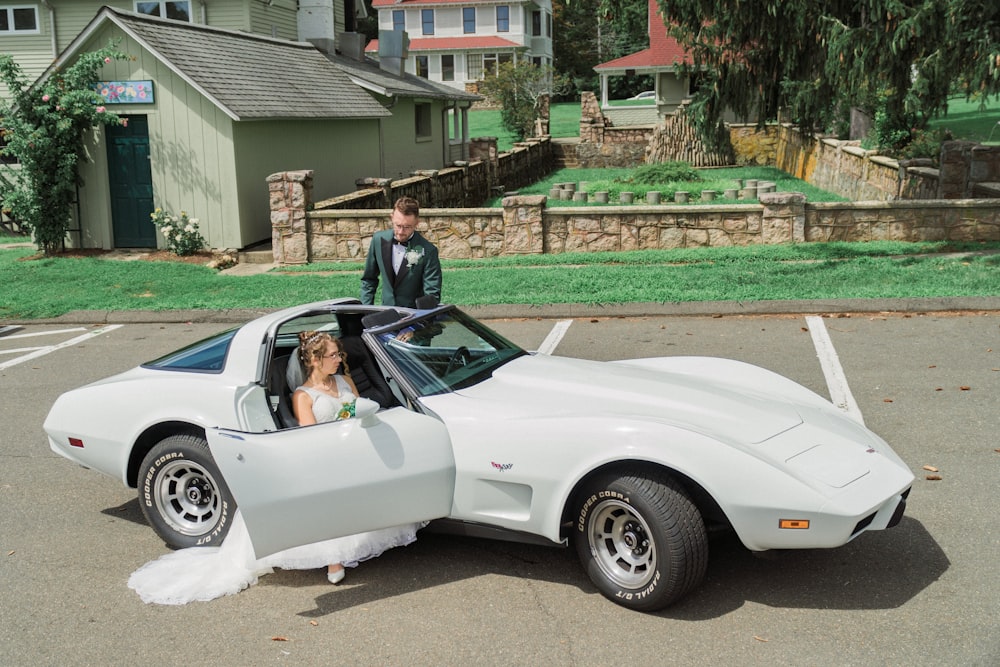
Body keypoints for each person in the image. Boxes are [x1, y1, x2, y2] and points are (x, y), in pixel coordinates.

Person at [126, 331, 423, 604]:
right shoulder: (303, 396)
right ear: (316, 361)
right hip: (324, 457)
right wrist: (342, 422)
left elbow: (359, 408)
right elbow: (311, 437)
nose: (339, 360)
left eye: (338, 355)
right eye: (333, 355)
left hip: (355, 448)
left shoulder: (345, 381)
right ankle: (335, 557)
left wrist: (355, 417)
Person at [360, 196, 442, 308]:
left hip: (414, 317)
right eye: (398, 225)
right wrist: (366, 310)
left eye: (407, 227)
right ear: (392, 218)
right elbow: (369, 279)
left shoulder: (428, 250)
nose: (401, 232)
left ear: (417, 223)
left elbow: (432, 294)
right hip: (386, 314)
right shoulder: (378, 240)